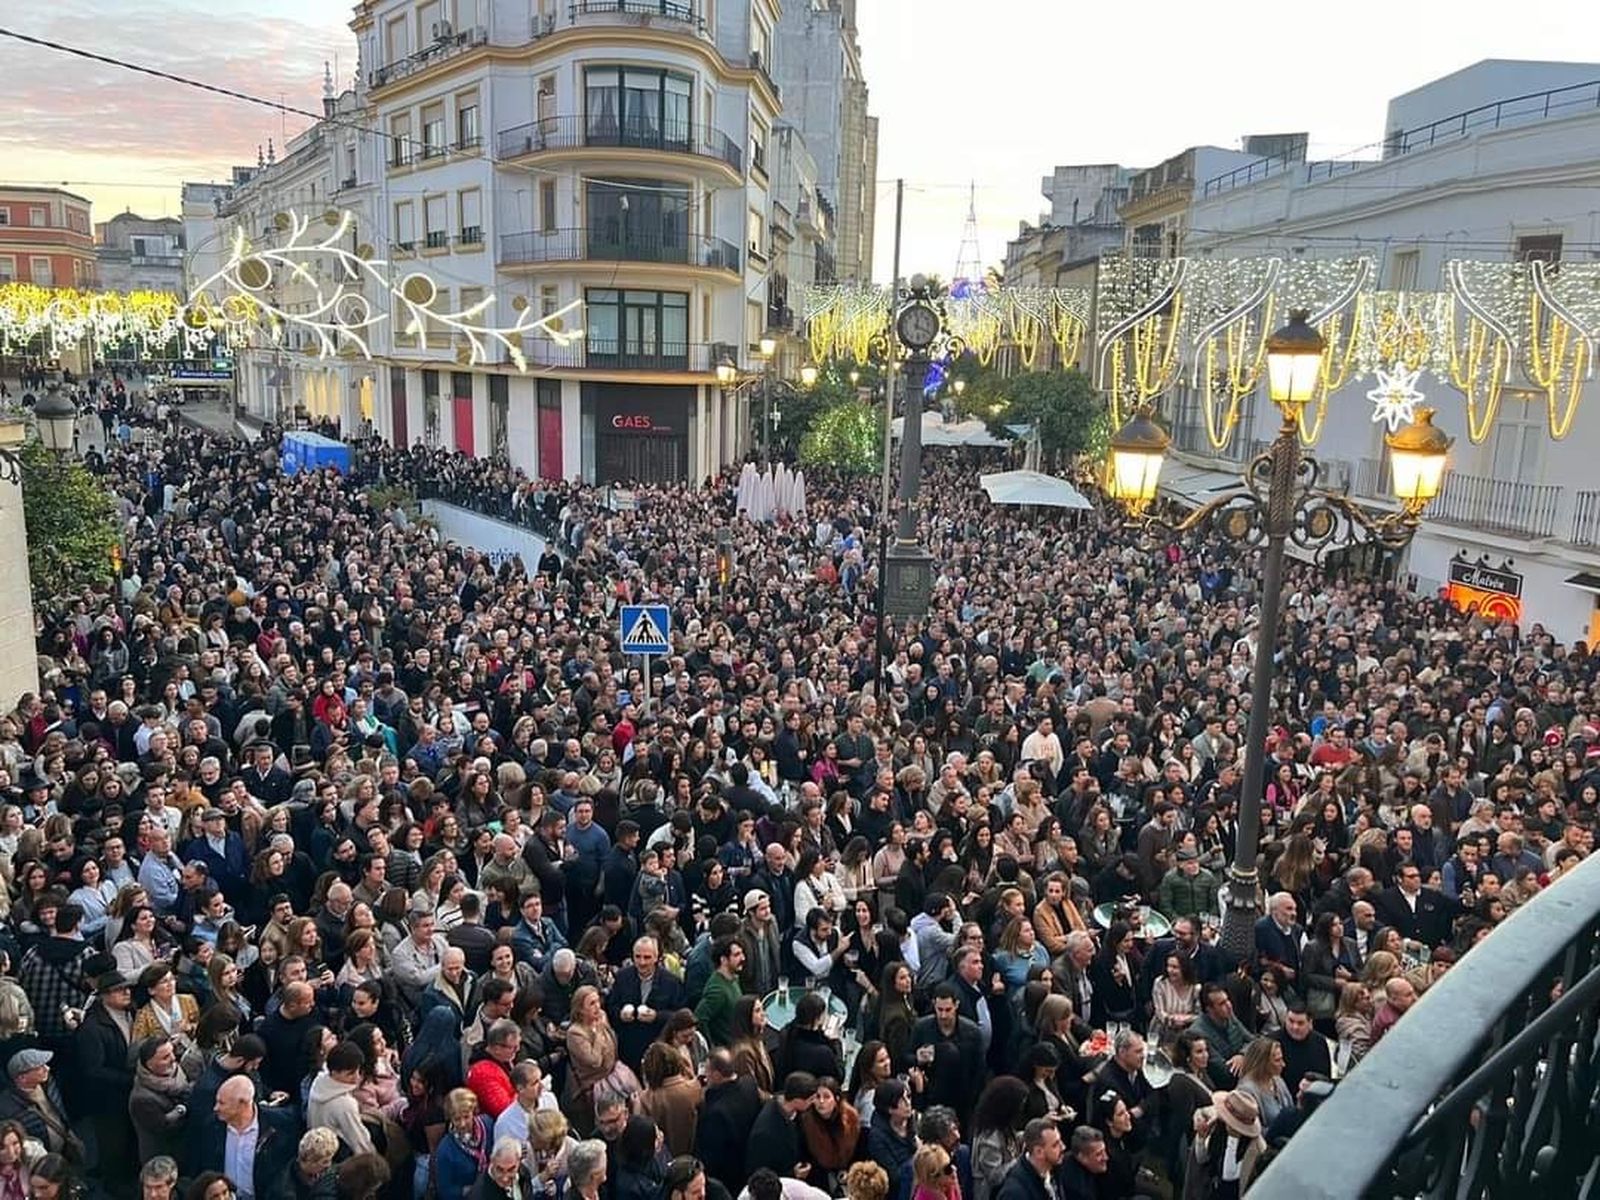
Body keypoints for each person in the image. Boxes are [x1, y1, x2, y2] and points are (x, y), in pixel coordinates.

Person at [194, 1075, 298, 1200]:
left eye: (222, 1103)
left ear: (243, 1103)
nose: (216, 1108)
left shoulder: (281, 1124)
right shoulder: (211, 1126)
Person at [747, 1072, 818, 1180]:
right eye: (811, 1099)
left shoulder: (795, 1112)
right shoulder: (765, 1132)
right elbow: (760, 1174)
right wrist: (792, 1174)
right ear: (797, 1101)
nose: (814, 1102)